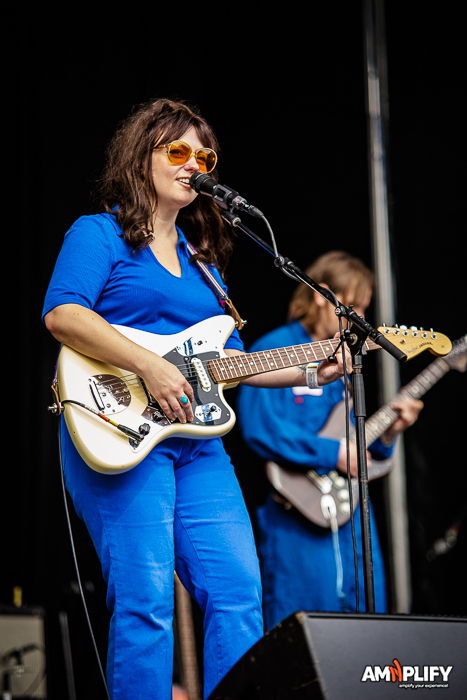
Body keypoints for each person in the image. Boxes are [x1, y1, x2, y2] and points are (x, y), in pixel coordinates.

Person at [42, 100, 352, 700]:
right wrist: (149, 365)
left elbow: (232, 366)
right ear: (141, 159)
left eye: (204, 156)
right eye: (177, 152)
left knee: (238, 590)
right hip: (121, 434)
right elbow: (62, 314)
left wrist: (317, 368)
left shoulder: (204, 264)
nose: (194, 165)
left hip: (197, 445)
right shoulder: (98, 233)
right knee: (146, 601)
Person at [237, 251, 423, 631]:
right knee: (302, 637)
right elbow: (259, 426)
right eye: (352, 306)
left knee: (368, 633)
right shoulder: (275, 347)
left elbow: (357, 446)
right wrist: (332, 452)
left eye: (364, 309)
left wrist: (388, 433)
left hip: (350, 517)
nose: (360, 318)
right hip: (296, 520)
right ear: (322, 295)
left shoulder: (346, 360)